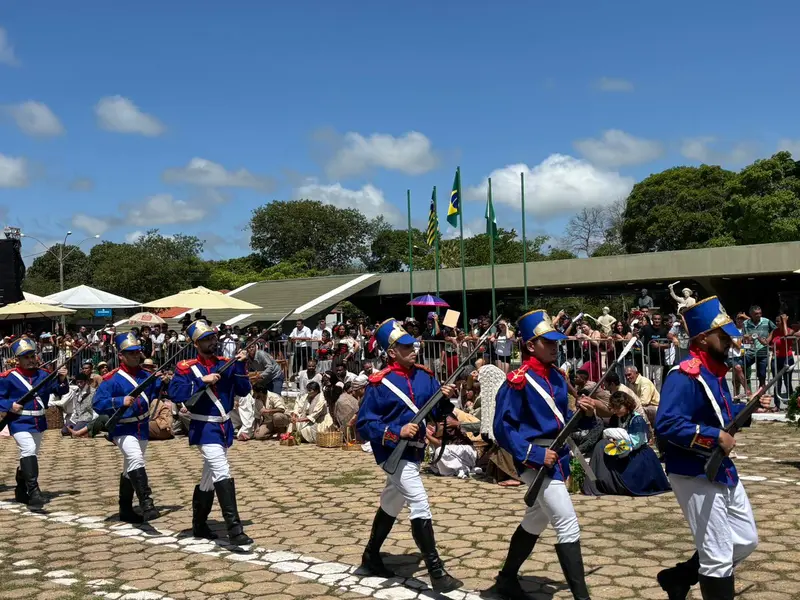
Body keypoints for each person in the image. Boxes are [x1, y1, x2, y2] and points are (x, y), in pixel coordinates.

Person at [655, 296, 771, 600]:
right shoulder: (685, 373)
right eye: (723, 335)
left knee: (745, 540)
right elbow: (666, 424)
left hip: (719, 468)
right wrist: (713, 436)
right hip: (693, 470)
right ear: (703, 339)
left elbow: (719, 413)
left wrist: (748, 408)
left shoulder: (713, 372)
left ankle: (679, 576)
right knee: (718, 557)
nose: (731, 341)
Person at [492, 309, 595, 600]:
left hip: (558, 457)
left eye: (555, 341)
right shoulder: (518, 380)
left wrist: (584, 414)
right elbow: (502, 428)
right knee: (566, 521)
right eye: (547, 341)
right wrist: (534, 454)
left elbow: (564, 421)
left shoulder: (558, 376)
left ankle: (506, 579)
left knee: (537, 519)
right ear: (530, 346)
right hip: (532, 460)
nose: (554, 346)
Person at [356, 318, 462, 594]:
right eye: (405, 347)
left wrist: (444, 398)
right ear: (391, 352)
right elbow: (365, 425)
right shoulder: (379, 383)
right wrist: (396, 431)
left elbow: (438, 413)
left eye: (412, 344)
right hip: (392, 452)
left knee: (392, 501)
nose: (412, 349)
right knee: (419, 502)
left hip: (414, 452)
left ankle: (370, 557)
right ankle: (436, 571)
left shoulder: (425, 376)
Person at [168, 320, 253, 546]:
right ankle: (234, 529)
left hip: (223, 426)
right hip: (204, 426)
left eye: (213, 338)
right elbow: (175, 393)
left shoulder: (227, 363)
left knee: (209, 477)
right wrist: (200, 381)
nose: (212, 342)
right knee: (222, 470)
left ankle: (199, 523)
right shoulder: (186, 367)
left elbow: (244, 390)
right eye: (206, 339)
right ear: (196, 343)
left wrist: (242, 366)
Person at [94, 333, 166, 523]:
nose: (135, 356)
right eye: (131, 353)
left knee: (130, 467)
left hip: (141, 426)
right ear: (121, 355)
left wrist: (163, 380)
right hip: (122, 428)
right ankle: (146, 501)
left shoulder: (146, 375)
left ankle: (125, 509)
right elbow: (97, 403)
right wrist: (119, 401)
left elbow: (156, 392)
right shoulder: (111, 379)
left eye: (137, 352)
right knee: (135, 458)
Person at [0, 338, 69, 508]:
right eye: (26, 357)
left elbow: (60, 391)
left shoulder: (44, 374)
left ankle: (21, 488)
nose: (31, 360)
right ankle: (34, 491)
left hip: (38, 420)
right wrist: (9, 405)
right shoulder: (8, 377)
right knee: (28, 449)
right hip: (19, 421)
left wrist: (62, 379)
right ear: (18, 359)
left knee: (30, 455)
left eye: (32, 356)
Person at [583, 391, 671, 497]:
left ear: (627, 405)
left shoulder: (636, 419)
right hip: (620, 448)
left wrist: (619, 441)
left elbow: (636, 442)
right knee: (602, 445)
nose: (615, 411)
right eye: (614, 408)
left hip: (637, 453)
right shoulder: (617, 417)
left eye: (618, 408)